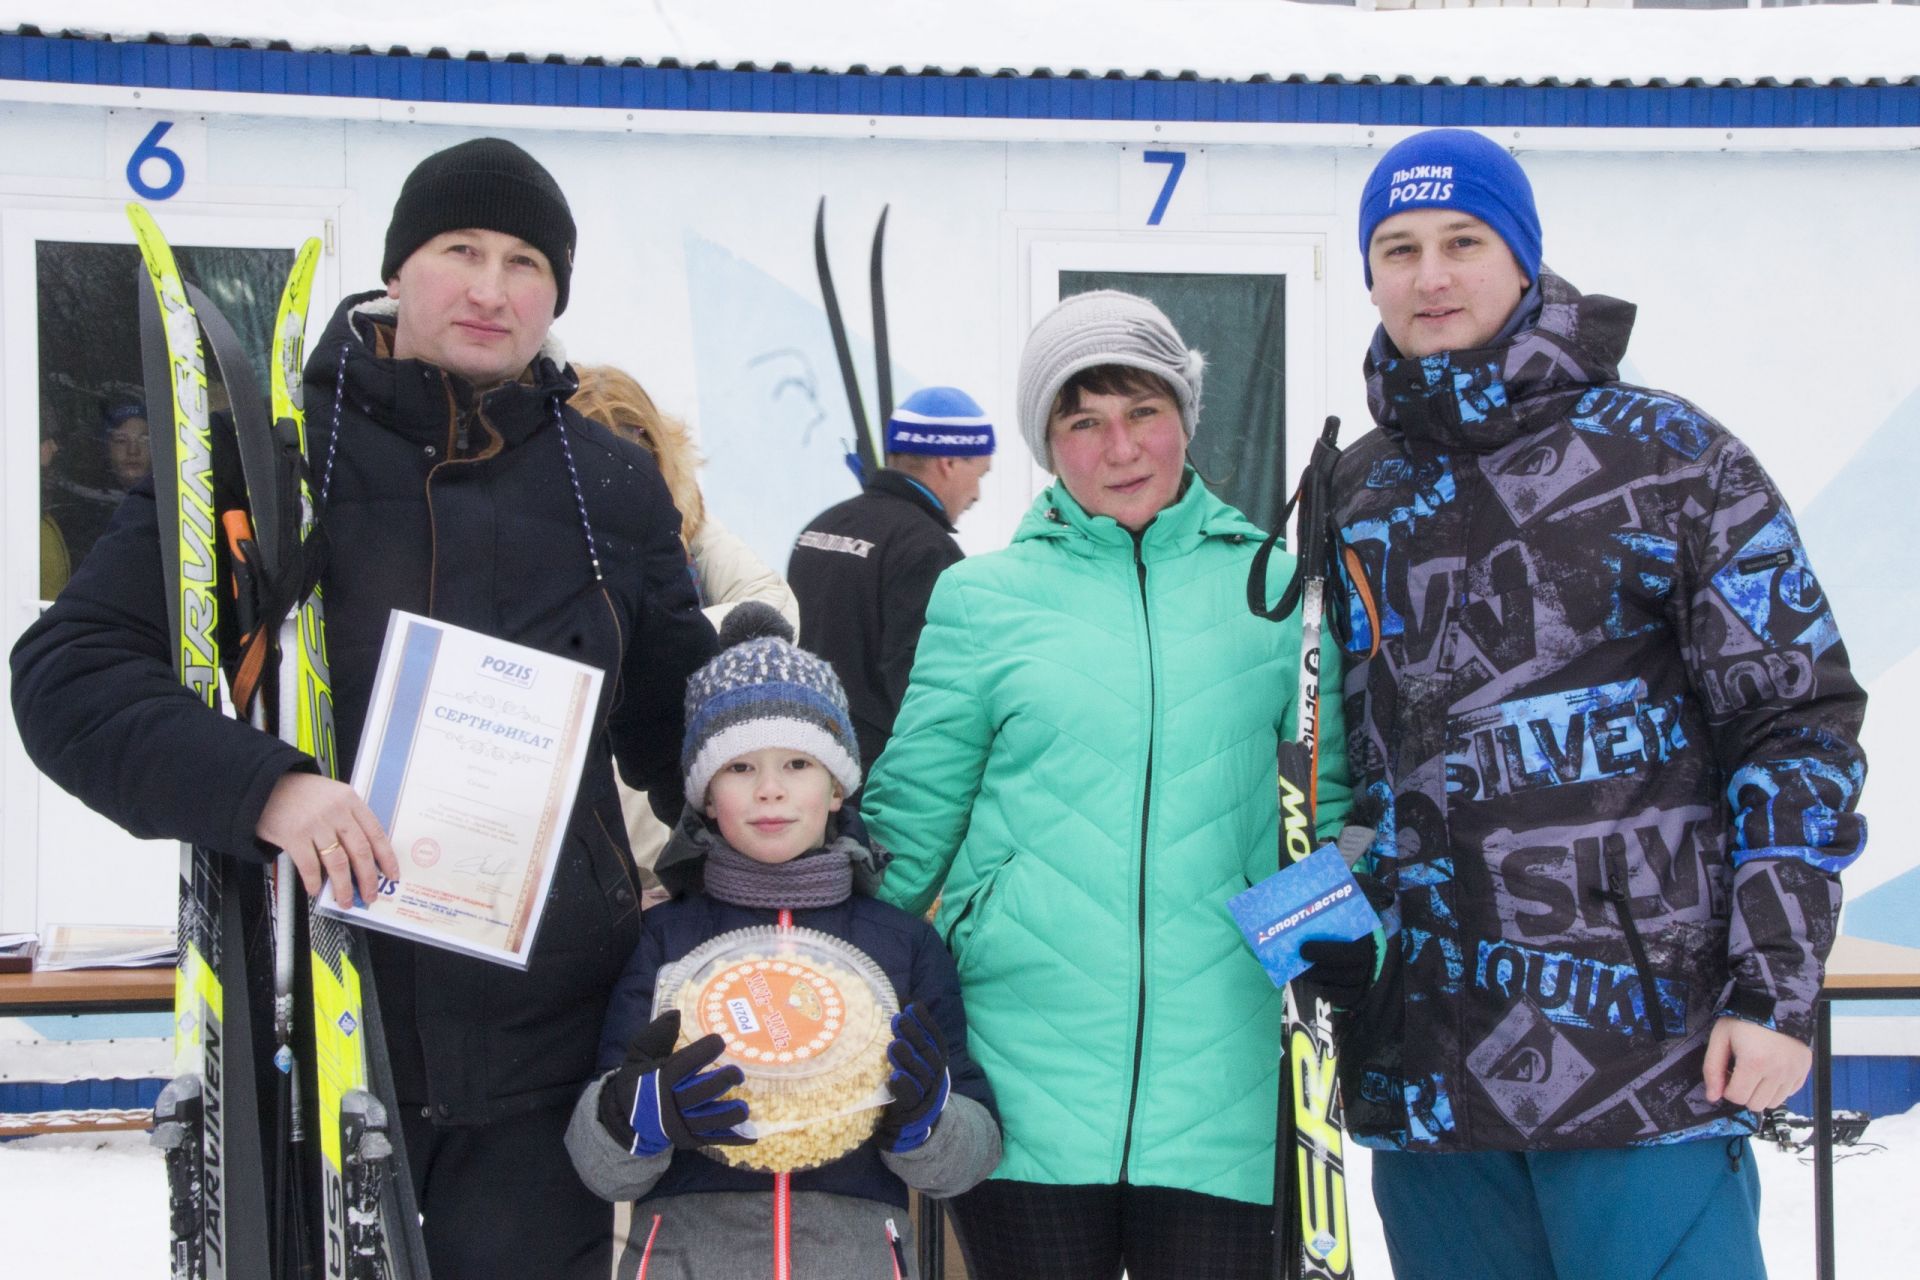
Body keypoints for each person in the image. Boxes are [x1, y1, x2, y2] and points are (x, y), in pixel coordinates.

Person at [10, 136, 717, 1279]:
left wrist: (785, 764)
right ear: (399, 270)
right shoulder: (264, 455)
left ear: (558, 294)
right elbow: (69, 675)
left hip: (544, 1056)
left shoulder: (609, 484)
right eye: (461, 249)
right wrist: (270, 789)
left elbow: (681, 725)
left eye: (526, 260)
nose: (491, 287)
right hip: (313, 1030)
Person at [1329, 128, 1868, 1280]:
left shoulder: (1671, 457)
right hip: (1429, 1083)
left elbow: (1795, 724)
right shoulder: (1357, 488)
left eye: (1463, 242)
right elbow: (1361, 769)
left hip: (1647, 1063)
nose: (1430, 275)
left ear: (1525, 259)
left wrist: (1774, 986)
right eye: (1398, 247)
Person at [860, 291, 1351, 1278]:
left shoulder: (1277, 594)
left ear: (1185, 420)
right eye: (1082, 421)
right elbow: (908, 826)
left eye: (1143, 411)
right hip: (1023, 1071)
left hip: (1228, 1078)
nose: (1119, 447)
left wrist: (1335, 974)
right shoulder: (984, 599)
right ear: (1048, 442)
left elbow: (1322, 813)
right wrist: (828, 959)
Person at [565, 603, 1000, 1277]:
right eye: (739, 768)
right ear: (706, 795)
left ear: (836, 788)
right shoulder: (663, 940)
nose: (770, 791)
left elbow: (971, 1157)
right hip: (687, 1255)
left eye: (798, 763)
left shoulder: (904, 946)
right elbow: (600, 1169)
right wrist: (634, 1115)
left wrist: (928, 1119)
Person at [570, 363, 801, 894]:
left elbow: (772, 606)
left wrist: (679, 510)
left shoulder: (681, 528)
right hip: (611, 828)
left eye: (636, 454)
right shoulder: (560, 543)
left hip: (666, 826)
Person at [787, 385, 995, 776]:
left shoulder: (820, 527)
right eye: (979, 473)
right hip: (877, 782)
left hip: (806, 766)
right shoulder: (928, 551)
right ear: (948, 462)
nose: (978, 494)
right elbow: (928, 697)